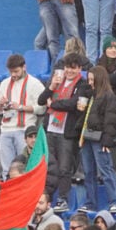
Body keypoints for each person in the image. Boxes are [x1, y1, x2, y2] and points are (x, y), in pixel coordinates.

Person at [40, 53, 87, 209]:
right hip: (50, 129)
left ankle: (63, 199)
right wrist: (52, 86)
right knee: (48, 167)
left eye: (73, 68)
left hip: (67, 133)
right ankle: (46, 199)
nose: (69, 71)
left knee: (64, 168)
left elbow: (73, 104)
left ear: (79, 68)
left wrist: (52, 104)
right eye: (67, 67)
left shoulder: (82, 84)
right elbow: (41, 100)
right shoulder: (57, 80)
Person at [77, 66, 116, 213]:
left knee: (105, 170)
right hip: (87, 137)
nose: (90, 82)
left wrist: (107, 140)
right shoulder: (91, 95)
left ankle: (114, 202)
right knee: (88, 172)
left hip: (100, 138)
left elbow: (111, 120)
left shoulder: (109, 97)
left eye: (92, 79)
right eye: (89, 79)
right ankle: (90, 203)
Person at [0, 54, 46, 174]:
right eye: (11, 72)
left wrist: (21, 107)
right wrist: (1, 105)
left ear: (24, 67)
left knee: (24, 168)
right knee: (7, 170)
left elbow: (42, 108)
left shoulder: (35, 84)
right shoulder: (4, 83)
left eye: (16, 71)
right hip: (6, 130)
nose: (13, 75)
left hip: (24, 130)